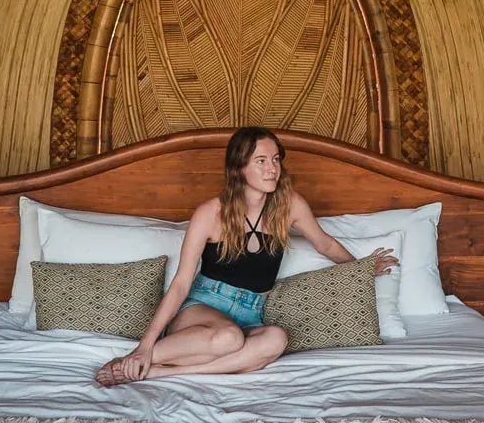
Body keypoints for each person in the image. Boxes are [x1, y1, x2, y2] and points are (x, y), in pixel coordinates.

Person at [95, 126, 398, 385]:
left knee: (277, 338)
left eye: (276, 160)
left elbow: (325, 244)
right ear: (239, 167)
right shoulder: (210, 213)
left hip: (251, 311)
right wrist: (145, 344)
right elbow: (181, 283)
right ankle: (135, 360)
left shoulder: (290, 205)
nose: (272, 169)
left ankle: (163, 373)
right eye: (261, 161)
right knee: (229, 339)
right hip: (203, 306)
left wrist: (360, 269)